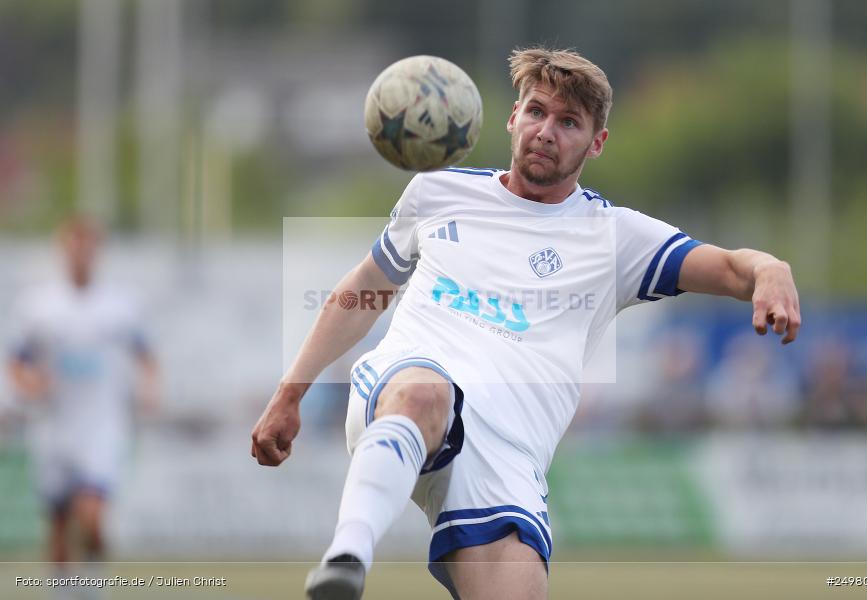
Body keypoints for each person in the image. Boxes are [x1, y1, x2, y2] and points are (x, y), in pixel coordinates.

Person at [252, 47, 801, 600]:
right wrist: (291, 390)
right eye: (537, 111)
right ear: (513, 118)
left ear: (596, 142)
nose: (546, 131)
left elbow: (733, 268)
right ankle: (346, 558)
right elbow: (363, 289)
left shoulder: (615, 237)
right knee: (426, 392)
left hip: (506, 455)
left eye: (569, 122)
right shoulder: (438, 192)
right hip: (404, 388)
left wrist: (770, 268)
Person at [6, 217, 158, 580]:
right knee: (58, 521)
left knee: (91, 515)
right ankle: (63, 589)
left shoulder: (121, 305)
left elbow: (147, 356)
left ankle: (92, 581)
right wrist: (29, 384)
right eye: (74, 246)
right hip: (54, 427)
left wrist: (149, 388)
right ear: (62, 251)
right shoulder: (38, 306)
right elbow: (16, 362)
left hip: (102, 426)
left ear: (98, 252)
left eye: (88, 246)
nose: (81, 254)